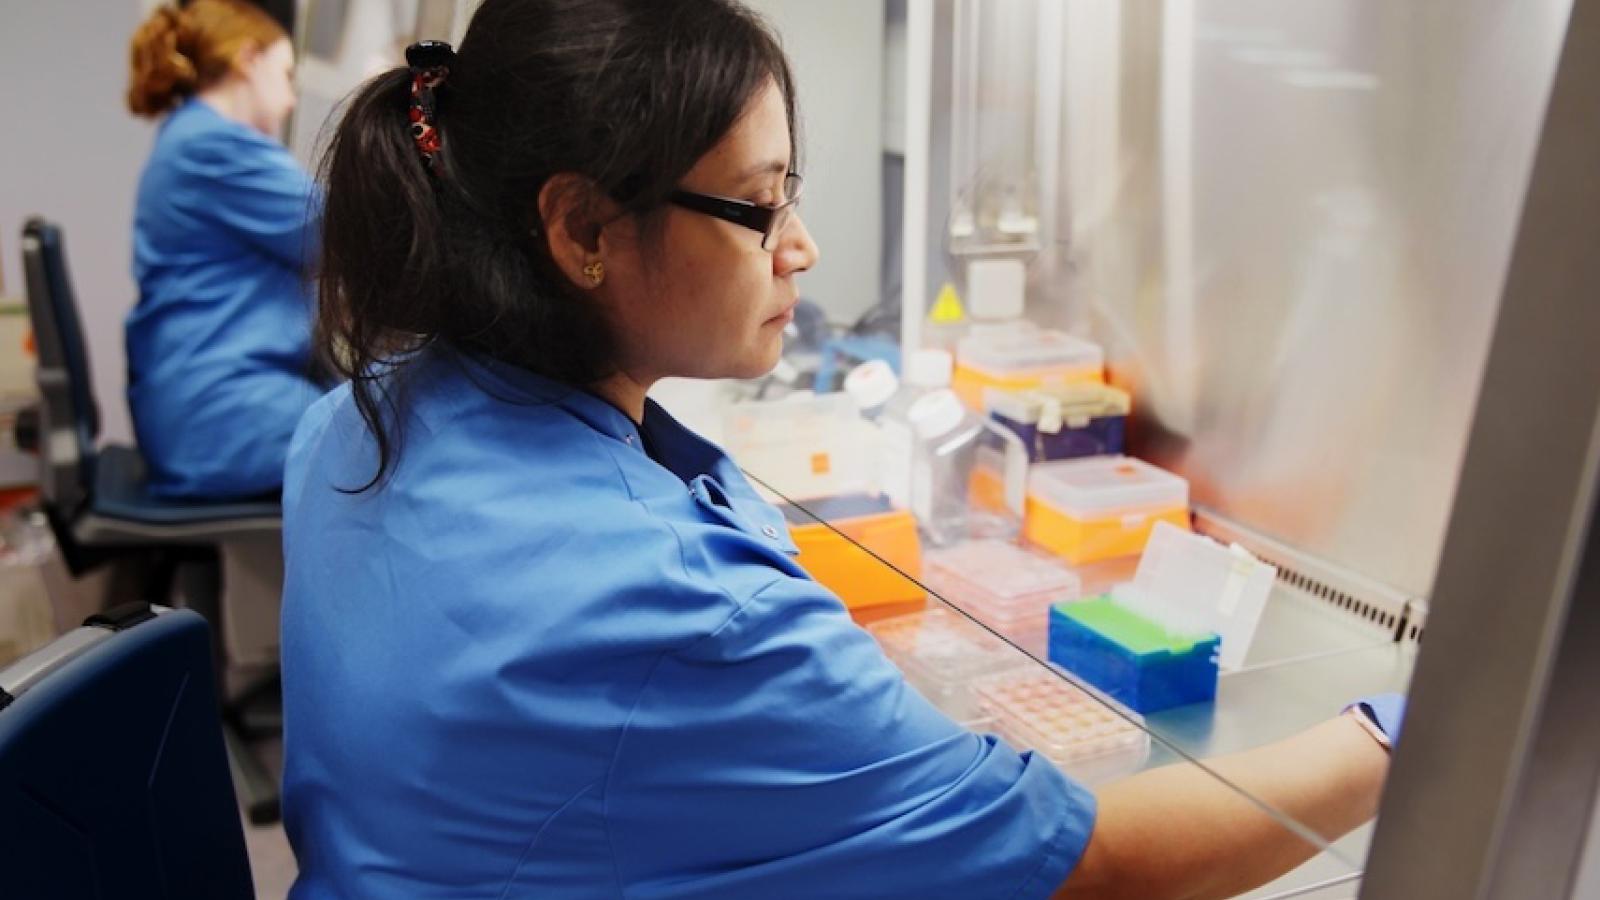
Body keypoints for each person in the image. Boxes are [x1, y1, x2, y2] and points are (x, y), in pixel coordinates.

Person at [280, 1, 1404, 897]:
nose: (802, 247)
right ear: (580, 229)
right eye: (759, 207)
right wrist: (1387, 740)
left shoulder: (355, 418)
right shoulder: (669, 604)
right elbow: (1086, 865)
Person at [124, 0, 323, 499]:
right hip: (224, 415)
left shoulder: (190, 137)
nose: (291, 100)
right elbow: (342, 233)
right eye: (287, 74)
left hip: (206, 406)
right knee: (400, 444)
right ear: (248, 60)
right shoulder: (213, 146)